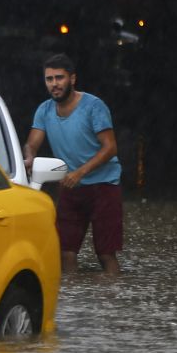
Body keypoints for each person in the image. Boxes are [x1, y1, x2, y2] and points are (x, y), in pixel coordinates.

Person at [23, 53, 122, 276]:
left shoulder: (93, 106)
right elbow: (32, 143)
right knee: (65, 253)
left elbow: (110, 148)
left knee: (105, 254)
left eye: (60, 78)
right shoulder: (44, 110)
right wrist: (29, 158)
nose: (54, 84)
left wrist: (80, 173)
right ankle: (72, 306)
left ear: (72, 79)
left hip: (103, 185)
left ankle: (113, 299)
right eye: (49, 79)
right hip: (70, 187)